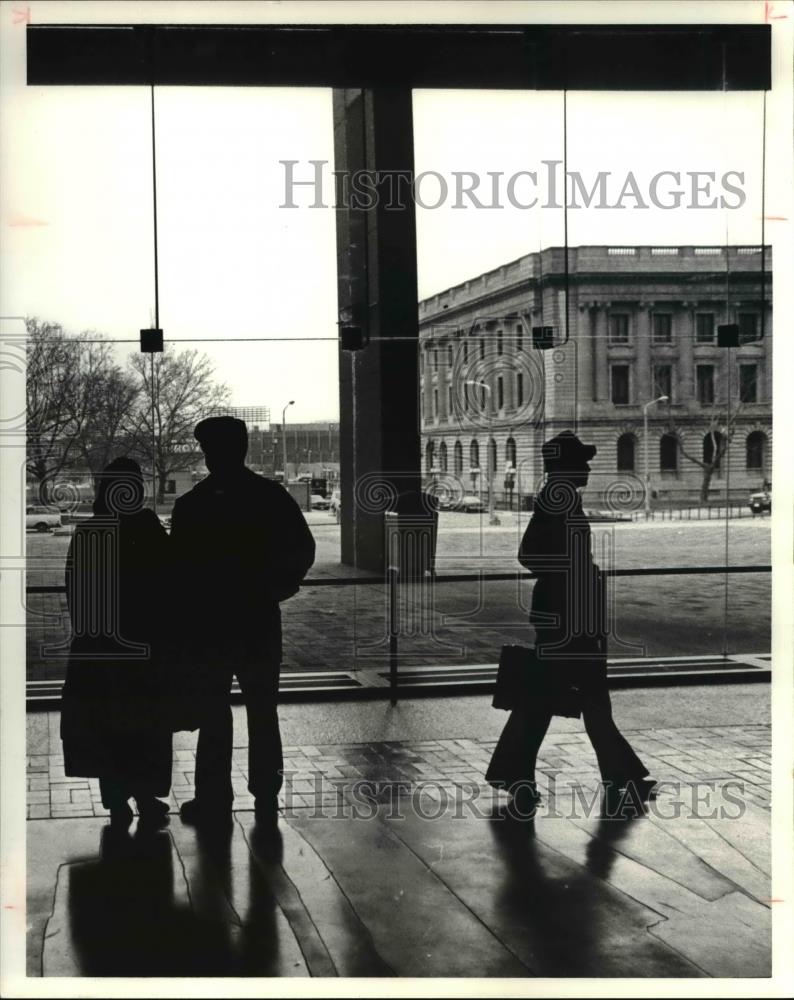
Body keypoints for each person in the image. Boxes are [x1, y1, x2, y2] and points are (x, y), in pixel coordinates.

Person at [486, 430, 654, 811]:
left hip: (565, 614)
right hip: (567, 617)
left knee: (548, 698)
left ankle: (520, 773)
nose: (588, 469)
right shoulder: (556, 501)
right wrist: (574, 575)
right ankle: (620, 777)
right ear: (565, 466)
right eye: (582, 462)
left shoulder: (560, 500)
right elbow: (529, 555)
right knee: (573, 697)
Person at [170, 416, 315, 826]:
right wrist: (275, 590)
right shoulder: (269, 496)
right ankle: (266, 793)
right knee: (263, 710)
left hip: (210, 627)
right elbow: (302, 548)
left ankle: (213, 797)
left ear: (211, 451)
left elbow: (178, 573)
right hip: (257, 620)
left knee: (213, 712)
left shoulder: (192, 505)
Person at [60, 458, 172, 827]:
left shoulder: (90, 532)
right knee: (143, 726)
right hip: (144, 647)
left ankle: (117, 802)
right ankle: (145, 796)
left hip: (101, 650)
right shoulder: (149, 530)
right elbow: (168, 588)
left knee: (107, 725)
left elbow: (77, 592)